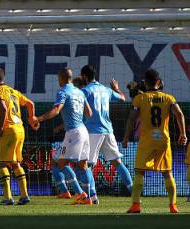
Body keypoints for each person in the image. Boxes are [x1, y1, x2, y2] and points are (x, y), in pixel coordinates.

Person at [123, 69, 187, 214]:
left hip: (147, 141)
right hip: (164, 141)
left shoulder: (140, 99)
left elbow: (132, 118)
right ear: (159, 82)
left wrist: (126, 137)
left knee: (139, 172)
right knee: (168, 173)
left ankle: (136, 205)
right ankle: (173, 206)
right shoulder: (169, 98)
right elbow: (180, 114)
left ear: (145, 83)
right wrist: (183, 133)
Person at [37, 68, 94, 205]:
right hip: (83, 131)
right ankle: (90, 196)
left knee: (59, 163)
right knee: (83, 164)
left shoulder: (63, 91)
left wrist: (40, 118)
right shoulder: (79, 92)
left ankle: (81, 194)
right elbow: (89, 113)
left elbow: (56, 110)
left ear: (61, 78)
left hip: (73, 133)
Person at [80, 65, 133, 204]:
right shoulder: (105, 89)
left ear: (85, 76)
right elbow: (123, 98)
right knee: (117, 162)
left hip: (93, 131)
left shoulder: (85, 91)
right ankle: (134, 192)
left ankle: (92, 196)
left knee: (87, 165)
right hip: (108, 131)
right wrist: (116, 88)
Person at [0, 67, 39, 205]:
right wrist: (31, 118)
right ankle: (24, 195)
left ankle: (7, 198)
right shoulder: (14, 91)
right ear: (3, 77)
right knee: (16, 163)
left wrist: (0, 128)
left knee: (0, 163)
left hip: (9, 130)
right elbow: (30, 104)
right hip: (20, 129)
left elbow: (3, 108)